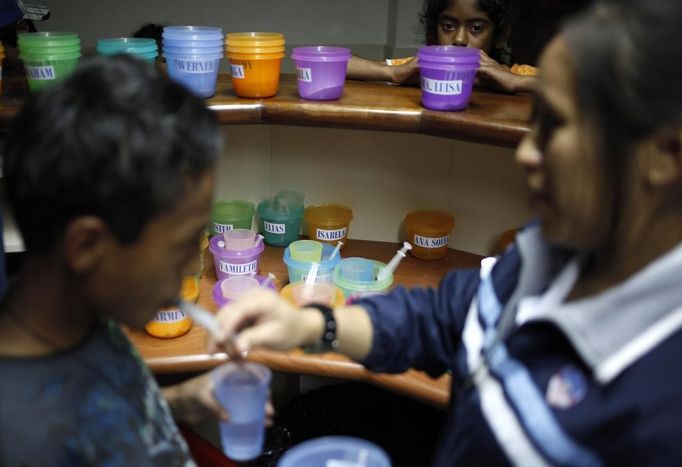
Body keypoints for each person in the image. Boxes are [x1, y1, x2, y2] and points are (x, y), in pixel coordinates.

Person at [216, 0, 682, 465]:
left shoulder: (662, 400)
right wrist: (312, 324)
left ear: (665, 154)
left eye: (556, 126)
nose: (525, 154)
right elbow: (443, 319)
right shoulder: (548, 256)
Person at [0, 55, 230, 465]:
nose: (191, 268)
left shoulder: (87, 313)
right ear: (86, 247)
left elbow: (100, 415)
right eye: (181, 246)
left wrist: (178, 401)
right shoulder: (25, 441)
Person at [347, 0, 537, 93]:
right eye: (448, 26)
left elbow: (566, 87)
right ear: (434, 30)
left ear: (501, 35)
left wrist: (515, 82)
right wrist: (393, 73)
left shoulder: (517, 74)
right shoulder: (422, 70)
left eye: (476, 28)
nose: (460, 39)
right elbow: (344, 64)